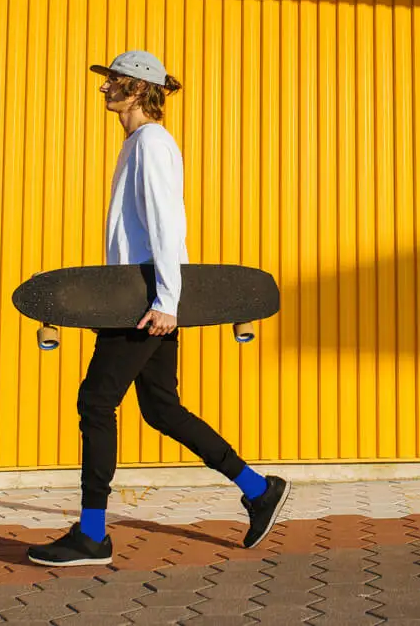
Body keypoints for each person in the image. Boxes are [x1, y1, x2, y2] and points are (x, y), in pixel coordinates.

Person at [27, 50, 290, 567]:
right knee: (161, 408)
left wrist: (167, 300)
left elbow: (169, 223)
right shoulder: (137, 144)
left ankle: (92, 534)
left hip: (144, 300)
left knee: (96, 402)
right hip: (140, 295)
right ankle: (259, 489)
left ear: (137, 89)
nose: (104, 88)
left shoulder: (151, 142)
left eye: (113, 81)